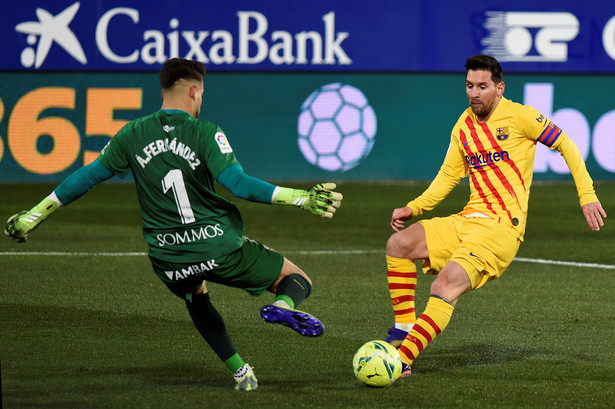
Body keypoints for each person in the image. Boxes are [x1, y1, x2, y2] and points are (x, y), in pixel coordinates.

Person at [4, 57, 342, 391]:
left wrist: (33, 215)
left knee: (196, 296)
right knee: (295, 278)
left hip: (168, 257)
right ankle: (281, 308)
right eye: (203, 95)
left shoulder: (131, 134)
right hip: (217, 245)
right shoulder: (205, 132)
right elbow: (239, 185)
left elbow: (85, 177)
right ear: (194, 91)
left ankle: (241, 373)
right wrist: (301, 198)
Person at [383, 55, 607, 376]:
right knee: (399, 245)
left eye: (483, 87)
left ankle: (401, 359)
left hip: (500, 230)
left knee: (444, 287)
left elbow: (567, 145)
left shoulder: (520, 117)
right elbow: (448, 176)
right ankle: (404, 328)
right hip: (468, 220)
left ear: (499, 88)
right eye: (470, 86)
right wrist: (414, 207)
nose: (475, 93)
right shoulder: (463, 126)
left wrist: (586, 196)